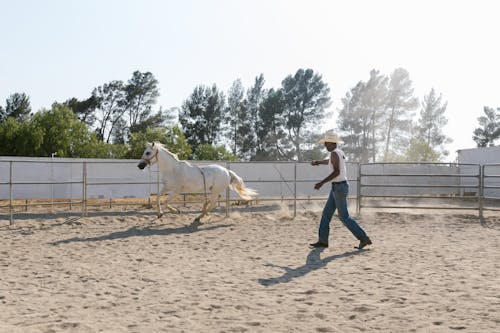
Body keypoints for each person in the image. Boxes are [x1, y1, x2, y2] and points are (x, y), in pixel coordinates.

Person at [309, 132, 372, 249]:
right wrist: (318, 162)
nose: (325, 146)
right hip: (338, 187)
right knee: (327, 214)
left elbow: (336, 171)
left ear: (333, 143)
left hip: (338, 187)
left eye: (327, 143)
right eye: (325, 143)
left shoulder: (334, 153)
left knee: (344, 217)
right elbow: (330, 162)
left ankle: (364, 238)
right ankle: (323, 240)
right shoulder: (339, 152)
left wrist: (321, 183)